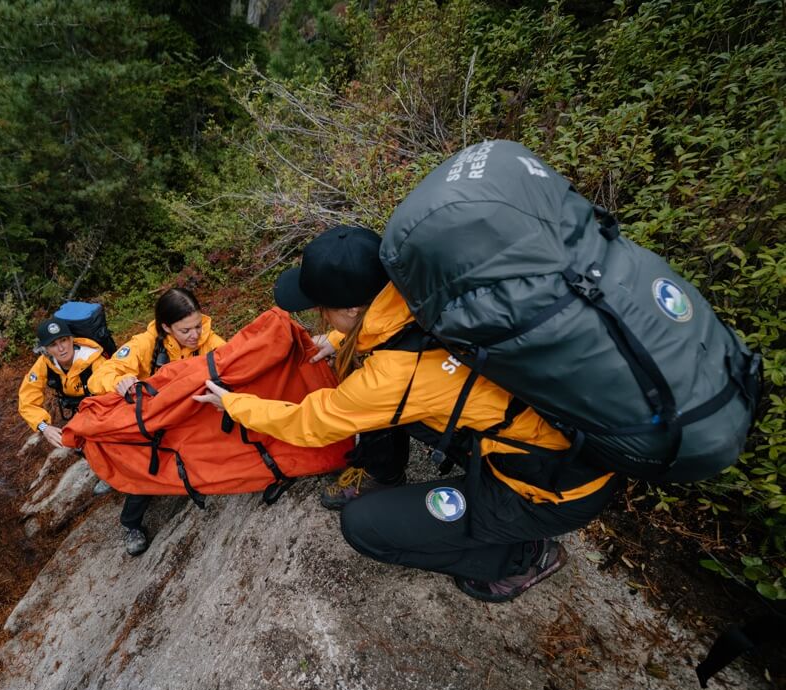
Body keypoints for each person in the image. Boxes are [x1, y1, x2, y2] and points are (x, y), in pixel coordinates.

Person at [194, 225, 617, 603]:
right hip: (560, 434)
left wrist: (233, 403)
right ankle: (387, 472)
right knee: (381, 408)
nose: (318, 315)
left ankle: (525, 556)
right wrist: (342, 342)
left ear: (353, 310)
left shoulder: (392, 379)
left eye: (321, 307)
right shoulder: (428, 287)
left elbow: (311, 422)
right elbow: (413, 347)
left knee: (363, 527)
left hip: (548, 489)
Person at [88, 287, 227, 556]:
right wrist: (119, 381)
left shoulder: (211, 342)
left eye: (198, 325)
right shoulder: (146, 344)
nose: (195, 335)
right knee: (147, 470)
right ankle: (131, 523)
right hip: (153, 422)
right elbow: (100, 377)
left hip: (189, 419)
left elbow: (234, 364)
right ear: (166, 327)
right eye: (186, 330)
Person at [18, 316, 112, 495]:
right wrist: (44, 427)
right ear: (45, 349)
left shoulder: (93, 360)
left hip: (101, 406)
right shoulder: (44, 364)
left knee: (100, 439)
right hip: (78, 409)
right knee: (80, 441)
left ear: (71, 339)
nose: (61, 348)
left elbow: (110, 391)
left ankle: (113, 474)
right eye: (54, 344)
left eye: (64, 340)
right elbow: (27, 400)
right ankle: (101, 464)